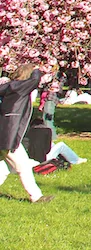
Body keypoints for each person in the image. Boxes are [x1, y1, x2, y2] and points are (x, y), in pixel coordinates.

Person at [0, 64, 53, 203]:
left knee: (6, 167)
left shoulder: (11, 86)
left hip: (5, 135)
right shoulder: (20, 87)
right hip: (9, 137)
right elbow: (35, 81)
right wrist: (36, 69)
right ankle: (36, 197)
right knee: (23, 166)